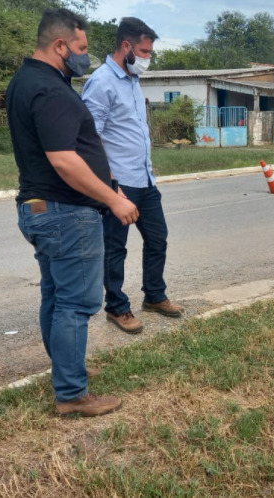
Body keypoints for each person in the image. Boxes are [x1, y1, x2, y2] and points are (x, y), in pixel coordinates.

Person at [6, 8, 139, 416]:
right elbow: (64, 160)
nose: (85, 56)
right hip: (66, 213)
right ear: (60, 45)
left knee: (56, 295)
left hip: (41, 209)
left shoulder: (25, 82)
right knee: (76, 304)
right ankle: (72, 394)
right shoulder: (49, 89)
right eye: (81, 48)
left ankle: (67, 368)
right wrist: (114, 199)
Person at [82, 17, 184, 335]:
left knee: (157, 239)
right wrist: (111, 185)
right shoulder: (101, 82)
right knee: (115, 249)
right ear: (126, 46)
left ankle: (154, 296)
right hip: (119, 183)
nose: (147, 58)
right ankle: (117, 308)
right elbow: (89, 138)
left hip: (145, 180)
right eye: (144, 51)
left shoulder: (132, 80)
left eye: (150, 52)